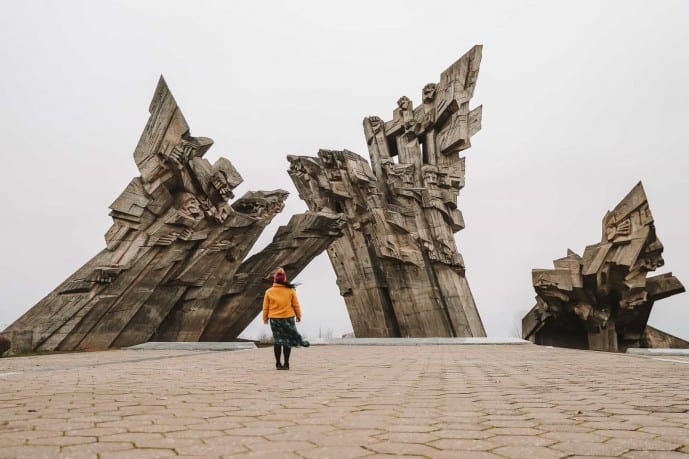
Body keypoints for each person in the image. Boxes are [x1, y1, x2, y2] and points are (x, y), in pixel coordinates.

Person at [262, 267, 309, 370]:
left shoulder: (269, 291)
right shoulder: (290, 290)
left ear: (275, 279)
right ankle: (286, 364)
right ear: (284, 279)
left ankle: (278, 364)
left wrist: (265, 318)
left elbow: (265, 307)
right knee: (287, 341)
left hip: (275, 319)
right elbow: (295, 304)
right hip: (288, 318)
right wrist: (298, 315)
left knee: (278, 341)